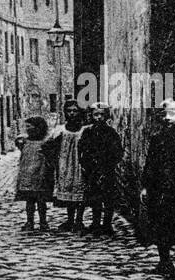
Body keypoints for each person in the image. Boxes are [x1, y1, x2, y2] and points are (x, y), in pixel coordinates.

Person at [140, 99, 175, 279]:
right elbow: (150, 164)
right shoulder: (157, 138)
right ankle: (164, 261)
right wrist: (146, 186)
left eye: (172, 114)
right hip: (159, 189)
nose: (168, 118)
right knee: (160, 225)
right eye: (165, 114)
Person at [79, 103, 123, 236]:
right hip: (92, 171)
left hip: (107, 170)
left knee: (108, 199)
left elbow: (118, 152)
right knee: (95, 198)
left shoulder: (111, 133)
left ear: (106, 116)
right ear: (91, 116)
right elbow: (82, 150)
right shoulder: (88, 132)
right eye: (96, 115)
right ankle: (96, 223)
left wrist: (109, 164)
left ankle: (107, 225)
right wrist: (86, 165)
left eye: (101, 115)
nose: (99, 118)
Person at [15, 115, 57, 232]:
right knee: (29, 202)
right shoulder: (25, 142)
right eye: (26, 127)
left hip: (41, 176)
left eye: (30, 127)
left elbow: (51, 157)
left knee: (41, 202)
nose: (27, 129)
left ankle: (43, 222)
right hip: (27, 176)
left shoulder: (45, 143)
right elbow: (17, 140)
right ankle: (30, 222)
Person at [52, 99, 87, 233]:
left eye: (75, 111)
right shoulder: (61, 130)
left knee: (80, 190)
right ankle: (70, 219)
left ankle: (79, 220)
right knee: (68, 190)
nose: (72, 114)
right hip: (65, 164)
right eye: (69, 111)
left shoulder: (84, 130)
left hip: (79, 164)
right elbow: (51, 147)